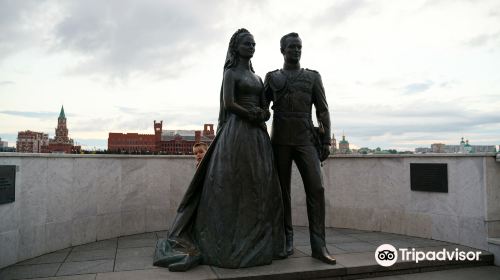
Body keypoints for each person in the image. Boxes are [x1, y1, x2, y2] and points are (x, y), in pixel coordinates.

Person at [153, 28, 286, 272]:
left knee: (259, 186)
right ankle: (230, 242)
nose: (251, 47)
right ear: (236, 47)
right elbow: (229, 103)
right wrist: (252, 114)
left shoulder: (257, 78)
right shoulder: (231, 73)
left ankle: (259, 241)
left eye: (254, 43)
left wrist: (263, 113)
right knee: (235, 185)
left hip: (257, 137)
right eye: (247, 43)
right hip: (237, 133)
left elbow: (264, 105)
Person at [264, 32, 336, 264]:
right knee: (281, 192)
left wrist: (325, 141)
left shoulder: (313, 77)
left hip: (306, 140)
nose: (296, 50)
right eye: (292, 47)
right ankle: (287, 240)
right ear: (282, 50)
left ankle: (319, 245)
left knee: (317, 188)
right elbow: (261, 109)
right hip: (280, 141)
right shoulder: (272, 77)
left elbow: (322, 110)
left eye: (299, 47)